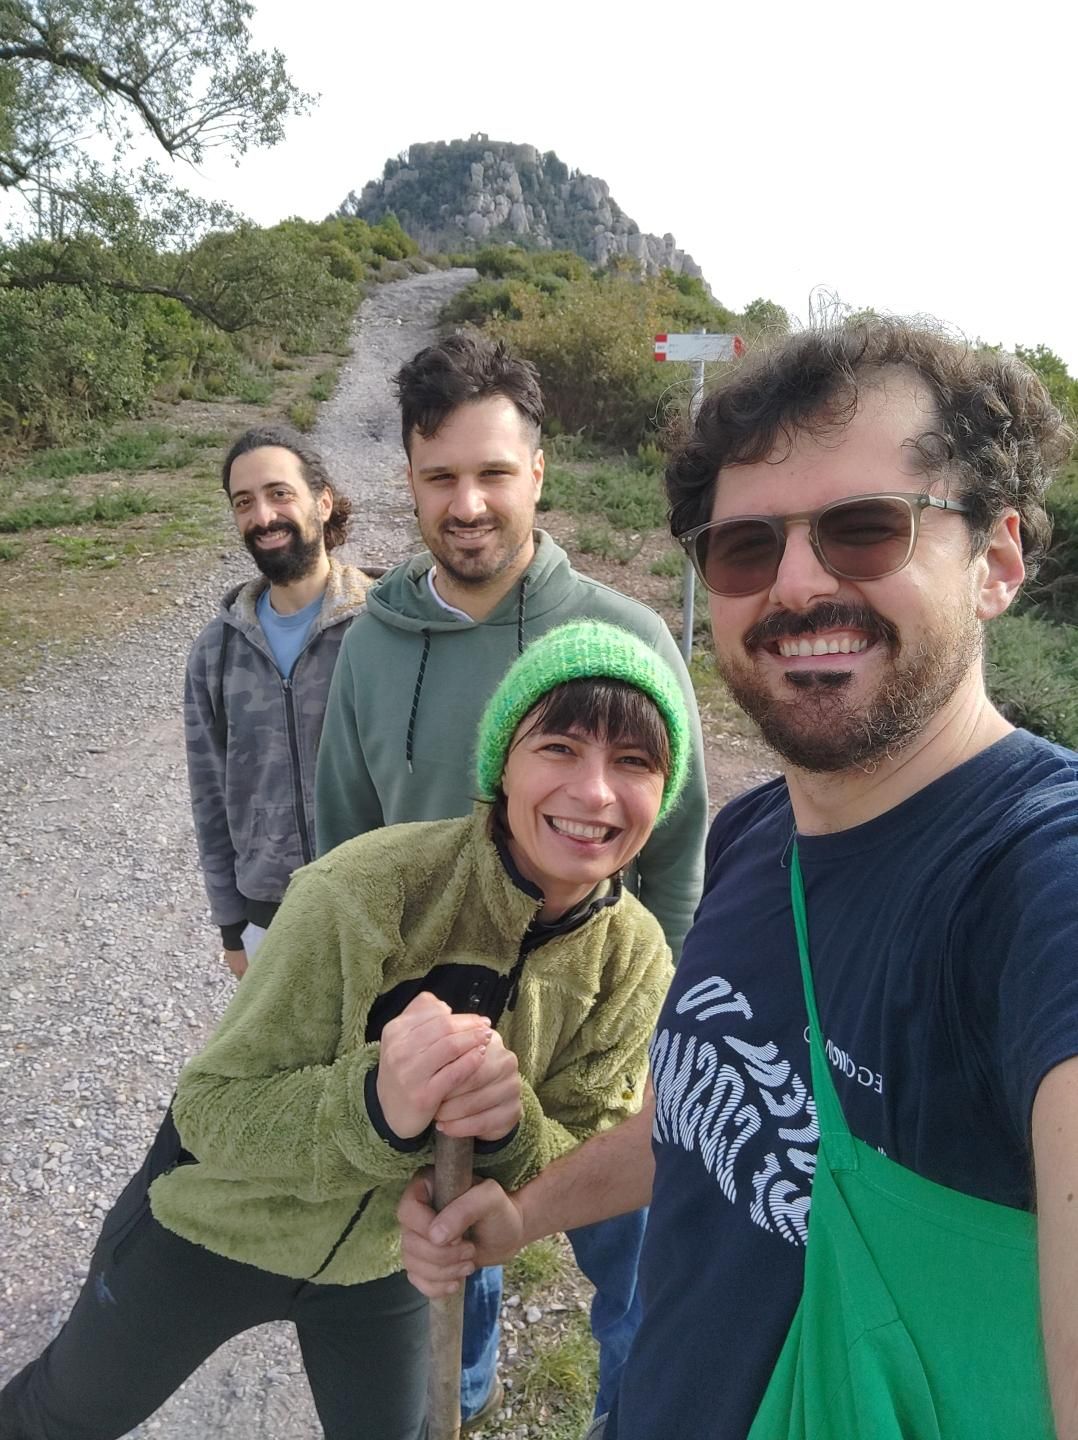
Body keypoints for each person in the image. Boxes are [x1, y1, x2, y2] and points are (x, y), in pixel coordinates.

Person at [398, 321, 1078, 1440]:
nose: (797, 583)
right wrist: (514, 1217)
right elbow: (695, 1127)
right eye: (745, 548)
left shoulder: (1033, 879)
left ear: (995, 561)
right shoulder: (757, 837)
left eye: (865, 530)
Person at [0, 620, 688, 1440]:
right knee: (63, 1415)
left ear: (666, 791)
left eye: (635, 762)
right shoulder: (365, 890)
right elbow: (212, 1109)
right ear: (503, 763)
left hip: (386, 1268)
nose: (596, 793)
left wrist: (509, 1129)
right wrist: (374, 1103)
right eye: (561, 748)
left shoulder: (636, 958)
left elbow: (581, 1155)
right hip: (218, 1226)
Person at [314, 332, 709, 1424]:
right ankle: (469, 1399)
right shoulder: (371, 648)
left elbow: (676, 853)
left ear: (538, 471)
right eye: (441, 476)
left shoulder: (622, 638)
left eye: (494, 472)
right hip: (440, 1041)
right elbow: (341, 844)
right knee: (454, 1272)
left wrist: (645, 1030)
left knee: (638, 1289)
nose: (469, 502)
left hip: (595, 1039)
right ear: (408, 479)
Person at [185, 425, 369, 979]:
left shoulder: (383, 627)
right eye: (245, 503)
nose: (263, 516)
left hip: (380, 907)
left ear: (322, 501)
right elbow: (211, 799)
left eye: (279, 493)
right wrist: (231, 927)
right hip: (270, 919)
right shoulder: (215, 652)